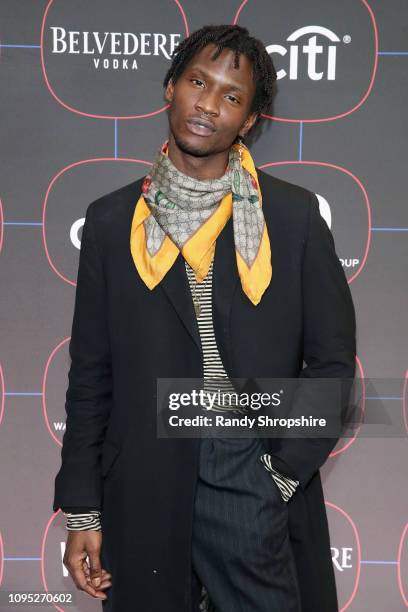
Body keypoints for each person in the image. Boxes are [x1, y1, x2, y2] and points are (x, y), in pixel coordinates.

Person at [53, 24, 356, 612]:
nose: (208, 104)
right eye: (198, 81)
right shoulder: (113, 223)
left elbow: (333, 363)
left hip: (248, 467)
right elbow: (91, 373)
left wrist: (280, 476)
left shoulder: (293, 219)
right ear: (171, 87)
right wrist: (84, 509)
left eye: (231, 96)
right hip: (142, 474)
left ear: (248, 121)